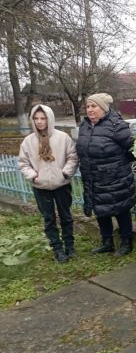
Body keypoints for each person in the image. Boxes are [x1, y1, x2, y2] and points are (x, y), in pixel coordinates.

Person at [76, 93, 136, 256]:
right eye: (88, 106)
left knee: (121, 210)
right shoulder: (84, 126)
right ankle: (107, 242)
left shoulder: (116, 124)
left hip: (115, 177)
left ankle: (126, 242)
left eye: (93, 106)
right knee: (100, 209)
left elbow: (132, 149)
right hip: (93, 177)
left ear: (103, 108)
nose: (90, 110)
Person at [18, 105, 78, 263]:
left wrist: (65, 172)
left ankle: (69, 246)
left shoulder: (62, 138)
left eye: (43, 118)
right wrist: (33, 176)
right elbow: (23, 163)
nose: (39, 121)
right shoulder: (28, 141)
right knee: (49, 218)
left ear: (49, 119)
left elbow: (72, 157)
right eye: (36, 118)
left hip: (62, 184)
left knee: (66, 216)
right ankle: (57, 248)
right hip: (41, 186)